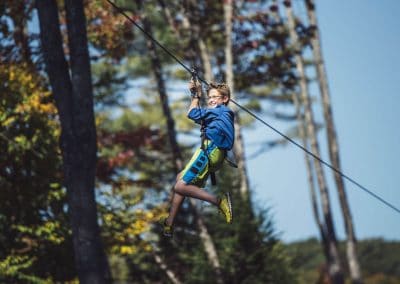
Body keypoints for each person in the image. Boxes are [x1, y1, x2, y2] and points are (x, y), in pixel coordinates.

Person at [161, 80, 235, 237]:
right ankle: (170, 223)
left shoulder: (221, 111)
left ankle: (218, 201)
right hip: (211, 151)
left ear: (225, 99)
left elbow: (191, 113)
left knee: (180, 186)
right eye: (209, 97)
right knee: (180, 178)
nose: (211, 100)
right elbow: (197, 115)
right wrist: (196, 95)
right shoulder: (219, 115)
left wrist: (196, 95)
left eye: (215, 97)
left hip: (210, 150)